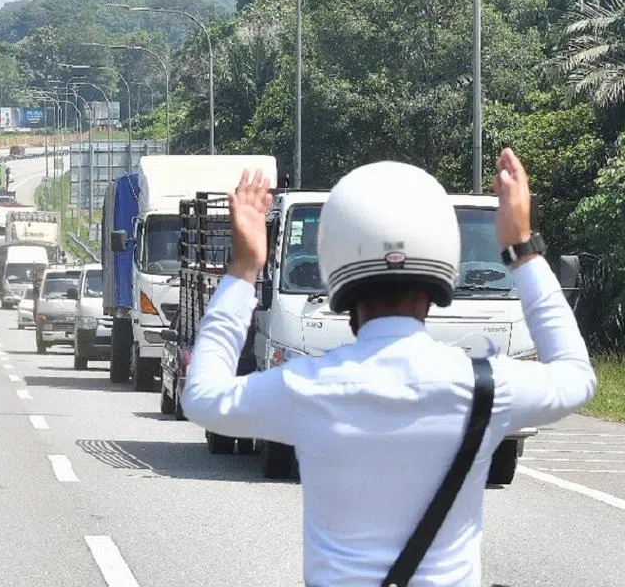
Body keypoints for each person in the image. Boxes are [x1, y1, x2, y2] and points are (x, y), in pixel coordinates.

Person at [181, 149, 596, 586]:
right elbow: (576, 376)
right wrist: (522, 249)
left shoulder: (309, 386)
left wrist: (245, 268)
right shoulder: (486, 388)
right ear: (442, 268)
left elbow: (203, 397)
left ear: (334, 264)